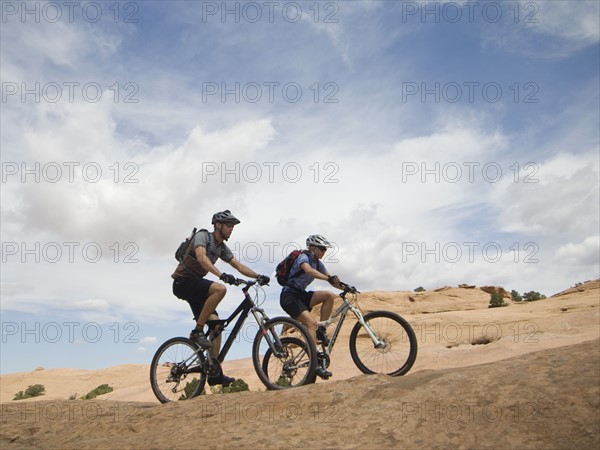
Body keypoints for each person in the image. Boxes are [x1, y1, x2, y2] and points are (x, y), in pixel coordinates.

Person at [172, 209, 270, 386]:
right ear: (218, 225)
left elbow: (238, 265)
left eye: (233, 226)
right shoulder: (203, 236)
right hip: (183, 283)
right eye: (229, 226)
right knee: (219, 289)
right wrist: (221, 275)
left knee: (217, 327)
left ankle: (213, 371)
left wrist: (257, 276)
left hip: (196, 288)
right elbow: (202, 258)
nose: (232, 229)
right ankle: (197, 332)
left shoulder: (221, 247)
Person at [279, 234, 344, 379]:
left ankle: (321, 330)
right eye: (321, 249)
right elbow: (308, 270)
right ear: (312, 248)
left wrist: (346, 287)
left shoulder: (319, 264)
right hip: (289, 296)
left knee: (328, 295)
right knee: (311, 324)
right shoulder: (303, 257)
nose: (323, 252)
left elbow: (331, 280)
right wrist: (328, 278)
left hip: (301, 295)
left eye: (325, 249)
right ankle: (314, 363)